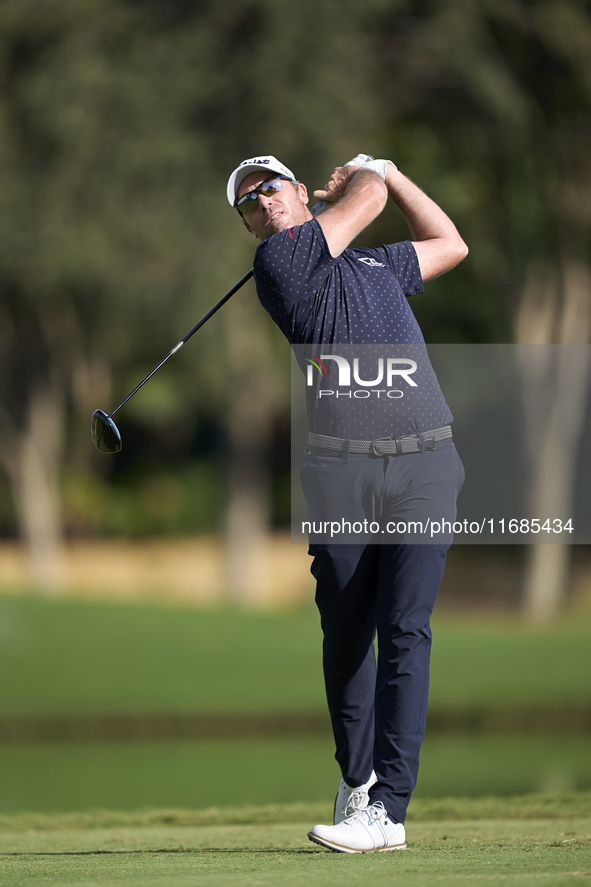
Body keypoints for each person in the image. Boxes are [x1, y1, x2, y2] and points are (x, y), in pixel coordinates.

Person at [226, 153, 468, 853]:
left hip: (425, 462)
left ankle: (387, 809)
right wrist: (372, 171)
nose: (260, 203)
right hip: (338, 475)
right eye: (247, 203)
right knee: (344, 631)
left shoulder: (376, 267)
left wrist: (393, 171)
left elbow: (450, 243)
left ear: (300, 193)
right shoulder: (281, 264)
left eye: (268, 188)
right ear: (250, 227)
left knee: (404, 627)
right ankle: (356, 778)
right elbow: (362, 202)